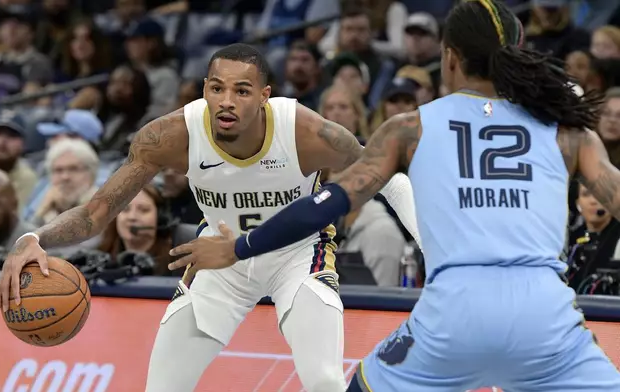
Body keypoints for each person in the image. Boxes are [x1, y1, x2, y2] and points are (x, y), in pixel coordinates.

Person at [180, 1, 620, 391]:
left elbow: (326, 204)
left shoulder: (410, 128)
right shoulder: (567, 131)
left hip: (453, 314)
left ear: (448, 58)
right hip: (543, 315)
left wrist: (239, 247)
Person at [0, 43, 418, 392]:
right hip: (218, 260)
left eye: (241, 90)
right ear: (204, 90)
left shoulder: (303, 131)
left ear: (265, 95)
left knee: (324, 381)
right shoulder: (171, 135)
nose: (227, 101)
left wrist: (441, 253)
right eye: (216, 88)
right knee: (161, 388)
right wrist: (34, 237)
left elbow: (389, 179)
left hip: (297, 256)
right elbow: (96, 212)